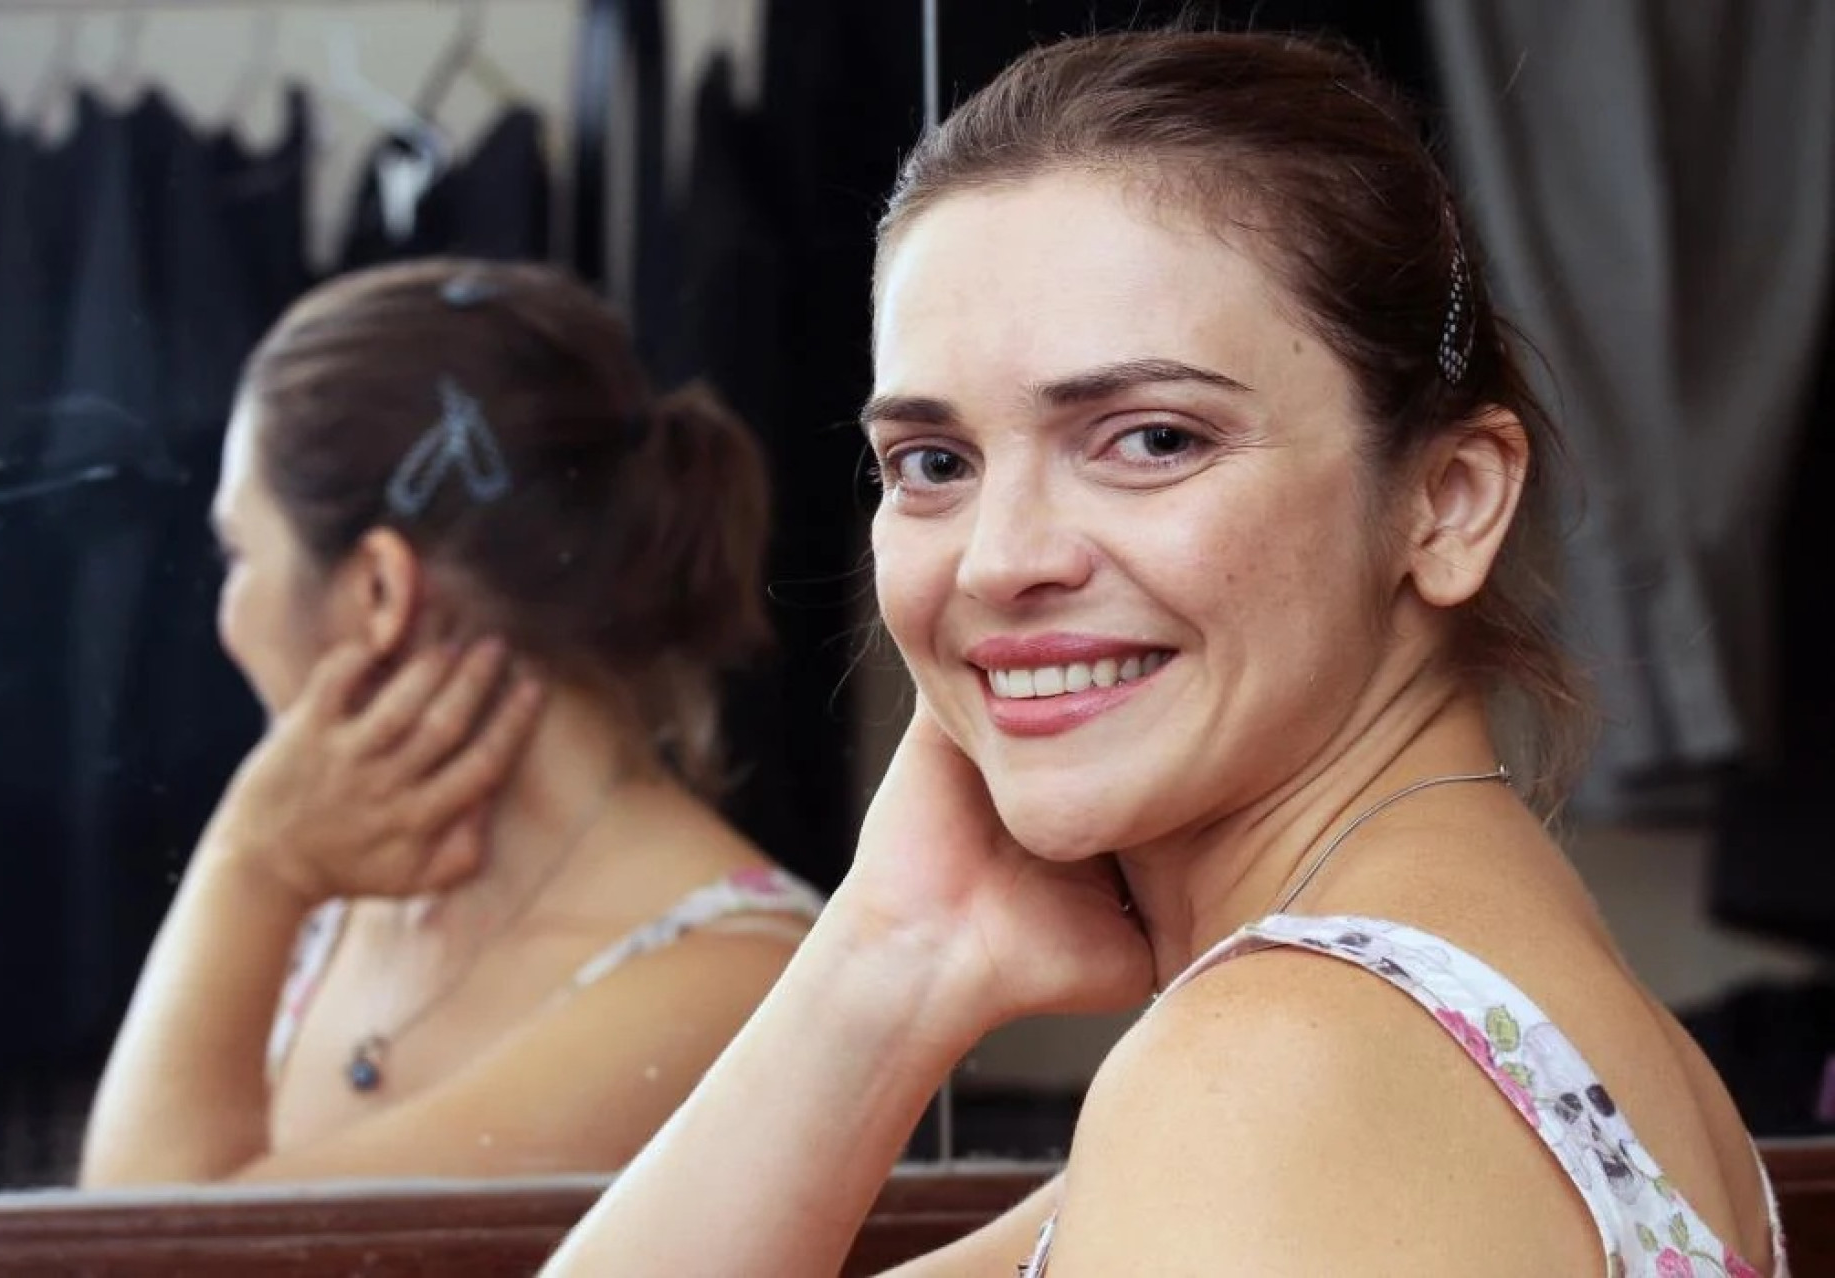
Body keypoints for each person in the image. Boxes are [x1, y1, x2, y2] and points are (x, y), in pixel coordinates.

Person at [539, 29, 1789, 1277]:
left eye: (1151, 440)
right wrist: (893, 954)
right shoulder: (1411, 1041)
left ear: (1448, 501)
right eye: (933, 463)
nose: (996, 559)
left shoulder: (1279, 1073)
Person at [79, 258, 823, 1187]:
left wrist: (249, 865)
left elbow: (148, 1256)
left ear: (381, 590)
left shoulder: (737, 985)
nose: (226, 616)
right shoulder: (339, 907)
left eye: (237, 553)